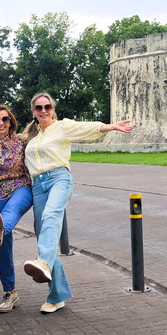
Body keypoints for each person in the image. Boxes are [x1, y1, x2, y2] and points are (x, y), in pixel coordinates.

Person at [22, 92, 135, 314]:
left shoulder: (62, 127)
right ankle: (56, 295)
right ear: (33, 111)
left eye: (47, 107)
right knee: (45, 232)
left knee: (51, 217)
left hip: (59, 178)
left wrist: (111, 127)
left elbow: (87, 128)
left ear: (52, 109)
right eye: (38, 108)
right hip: (38, 185)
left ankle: (43, 262)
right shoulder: (31, 136)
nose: (43, 111)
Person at [0, 105, 32, 313]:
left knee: (6, 220)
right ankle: (10, 293)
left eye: (5, 119)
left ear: (11, 121)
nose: (1, 123)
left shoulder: (22, 141)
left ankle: (0, 228)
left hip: (20, 188)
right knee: (3, 249)